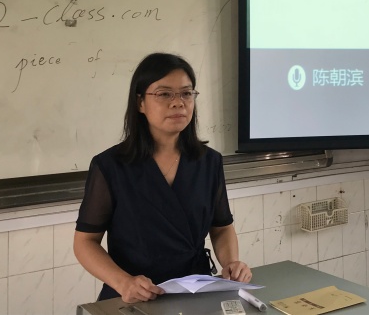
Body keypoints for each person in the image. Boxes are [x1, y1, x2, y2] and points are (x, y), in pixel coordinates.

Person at [74, 52, 251, 303]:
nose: (178, 103)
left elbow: (221, 228)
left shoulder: (208, 161)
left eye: (186, 93)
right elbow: (85, 242)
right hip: (135, 296)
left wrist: (231, 262)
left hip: (195, 292)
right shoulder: (111, 166)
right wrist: (123, 282)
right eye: (164, 94)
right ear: (140, 103)